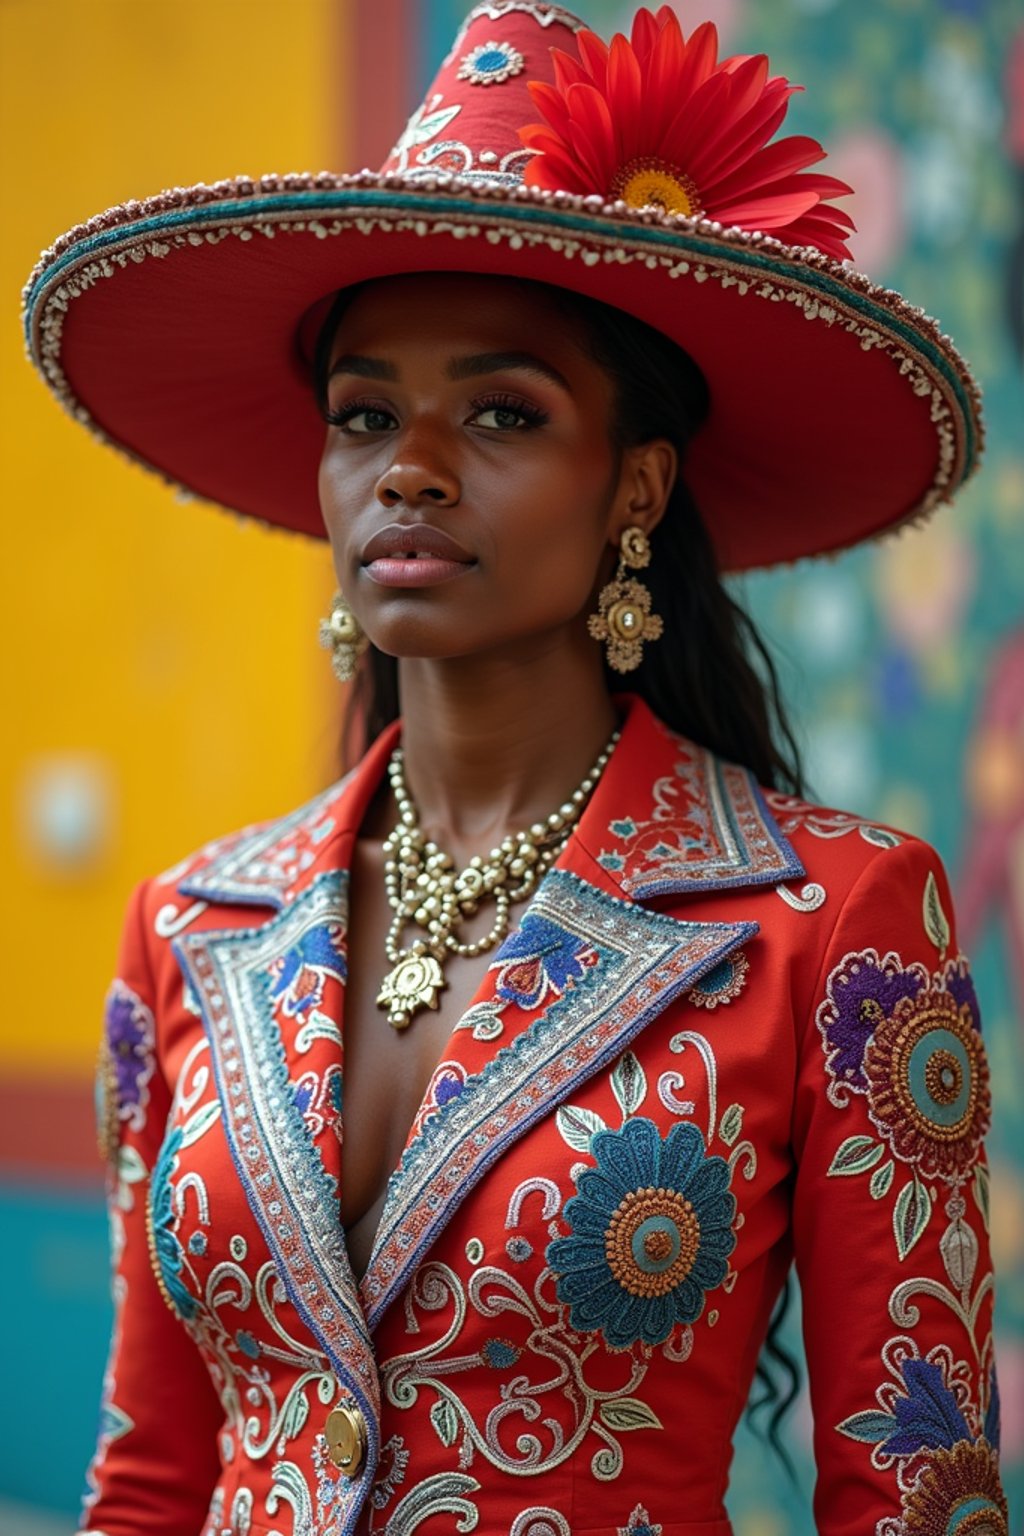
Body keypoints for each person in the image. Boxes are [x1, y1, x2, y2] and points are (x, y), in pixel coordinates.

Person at [23, 5, 1006, 1534]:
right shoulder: (194, 929)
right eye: (364, 415)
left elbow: (918, 1497)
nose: (409, 464)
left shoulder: (836, 925)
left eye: (499, 411)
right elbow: (149, 1480)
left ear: (636, 483)